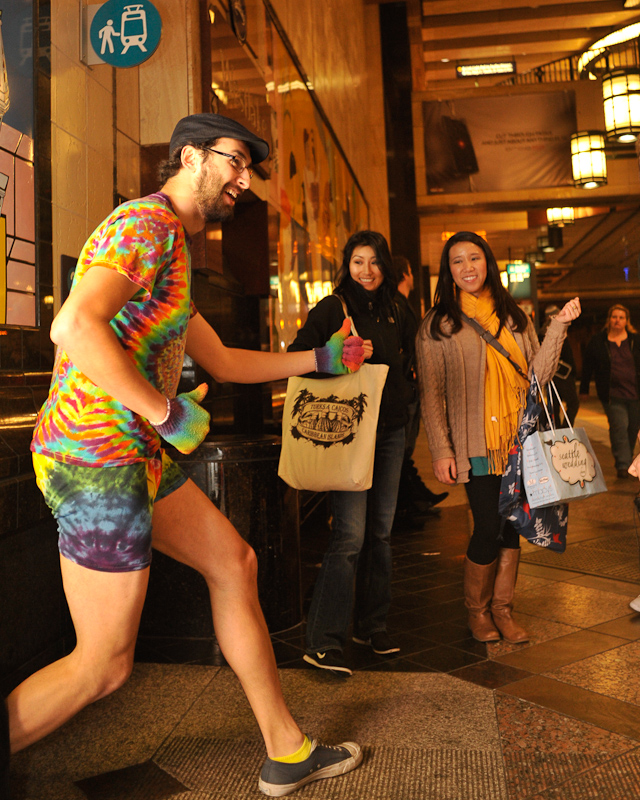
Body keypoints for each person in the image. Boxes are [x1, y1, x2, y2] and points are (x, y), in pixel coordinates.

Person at [10, 113, 365, 798]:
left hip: (130, 453)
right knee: (104, 667)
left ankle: (286, 750)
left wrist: (322, 358)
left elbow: (224, 359)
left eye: (250, 170)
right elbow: (72, 325)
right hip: (94, 457)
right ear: (190, 156)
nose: (243, 179)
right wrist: (164, 409)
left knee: (234, 563)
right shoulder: (146, 225)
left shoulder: (173, 252)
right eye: (234, 161)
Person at [415, 231, 580, 644]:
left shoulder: (514, 317)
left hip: (519, 441)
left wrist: (558, 326)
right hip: (476, 445)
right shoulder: (436, 327)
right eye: (457, 261)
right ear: (448, 271)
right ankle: (478, 611)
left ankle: (503, 610)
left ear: (488, 262)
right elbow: (431, 394)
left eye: (475, 258)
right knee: (488, 524)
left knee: (512, 526)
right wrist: (441, 450)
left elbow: (538, 376)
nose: (468, 267)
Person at [288, 231, 414, 675]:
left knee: (380, 533)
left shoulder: (398, 308)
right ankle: (323, 640)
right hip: (348, 433)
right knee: (350, 536)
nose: (367, 271)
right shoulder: (333, 308)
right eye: (358, 262)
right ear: (347, 264)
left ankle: (372, 625)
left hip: (391, 431)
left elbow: (412, 361)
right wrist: (343, 357)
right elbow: (298, 357)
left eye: (375, 262)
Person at [392, 255, 447, 523]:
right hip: (406, 388)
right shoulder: (398, 306)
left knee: (404, 449)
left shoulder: (398, 305)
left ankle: (416, 499)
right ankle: (410, 503)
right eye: (411, 271)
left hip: (407, 386)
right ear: (405, 274)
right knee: (403, 448)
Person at [580, 304, 640, 479]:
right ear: (609, 319)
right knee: (619, 426)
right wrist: (584, 389)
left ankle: (627, 460)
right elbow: (587, 367)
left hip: (635, 394)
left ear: (626, 321)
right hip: (612, 395)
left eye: (621, 317)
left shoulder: (635, 340)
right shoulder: (598, 341)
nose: (617, 320)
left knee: (632, 428)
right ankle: (623, 464)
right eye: (614, 317)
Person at [539, 304, 580, 426]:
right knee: (573, 403)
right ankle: (565, 428)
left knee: (555, 406)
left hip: (556, 375)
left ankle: (557, 430)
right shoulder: (550, 331)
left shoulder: (548, 331)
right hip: (561, 375)